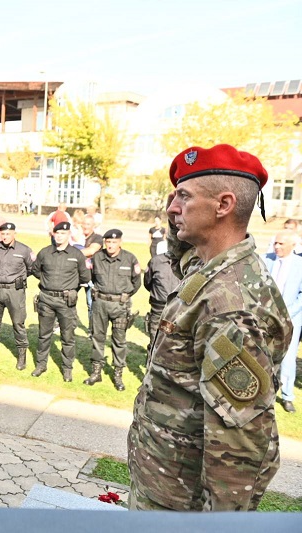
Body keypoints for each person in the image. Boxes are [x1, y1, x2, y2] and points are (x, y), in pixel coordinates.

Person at [128, 144, 292, 511]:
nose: (172, 208)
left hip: (180, 507)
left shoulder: (228, 306)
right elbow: (180, 255)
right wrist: (181, 212)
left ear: (223, 206)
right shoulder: (210, 267)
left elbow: (240, 443)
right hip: (163, 487)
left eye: (183, 197)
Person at [31, 221, 90, 381]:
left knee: (67, 336)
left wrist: (72, 290)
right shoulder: (45, 252)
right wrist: (47, 282)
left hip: (66, 301)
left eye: (63, 233)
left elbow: (85, 277)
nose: (59, 236)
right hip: (46, 299)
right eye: (57, 233)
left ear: (69, 235)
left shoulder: (76, 254)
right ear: (53, 234)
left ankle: (67, 369)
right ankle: (41, 365)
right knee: (44, 335)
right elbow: (35, 270)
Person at [84, 229, 141, 391]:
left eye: (114, 242)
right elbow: (89, 276)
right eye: (108, 242)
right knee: (97, 337)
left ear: (120, 243)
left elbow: (137, 282)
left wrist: (125, 296)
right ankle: (96, 372)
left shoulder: (129, 259)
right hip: (100, 304)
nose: (110, 245)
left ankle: (118, 374)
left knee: (119, 340)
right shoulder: (97, 258)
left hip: (120, 306)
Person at [0, 222, 34, 370]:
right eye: (3, 234)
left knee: (18, 323)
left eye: (8, 234)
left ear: (14, 234)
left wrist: (17, 280)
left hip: (14, 292)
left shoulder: (24, 250)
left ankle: (22, 355)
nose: (5, 236)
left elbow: (31, 269)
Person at [264, 230, 302, 413]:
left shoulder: (300, 265)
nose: (277, 247)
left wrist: (287, 314)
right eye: (276, 243)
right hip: (264, 318)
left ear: (293, 246)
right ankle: (264, 392)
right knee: (263, 355)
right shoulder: (265, 259)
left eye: (281, 244)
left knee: (287, 359)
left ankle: (287, 396)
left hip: (291, 319)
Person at [143, 239, 179, 353]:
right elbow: (147, 282)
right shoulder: (156, 261)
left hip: (177, 310)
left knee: (174, 344)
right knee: (155, 342)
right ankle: (151, 369)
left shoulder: (186, 262)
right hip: (158, 309)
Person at [80, 215, 104, 329]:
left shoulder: (97, 238)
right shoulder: (77, 237)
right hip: (75, 274)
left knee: (91, 304)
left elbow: (91, 251)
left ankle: (92, 330)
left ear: (93, 226)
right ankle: (59, 325)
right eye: (84, 223)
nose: (85, 226)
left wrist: (72, 253)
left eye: (88, 224)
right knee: (64, 301)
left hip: (91, 276)